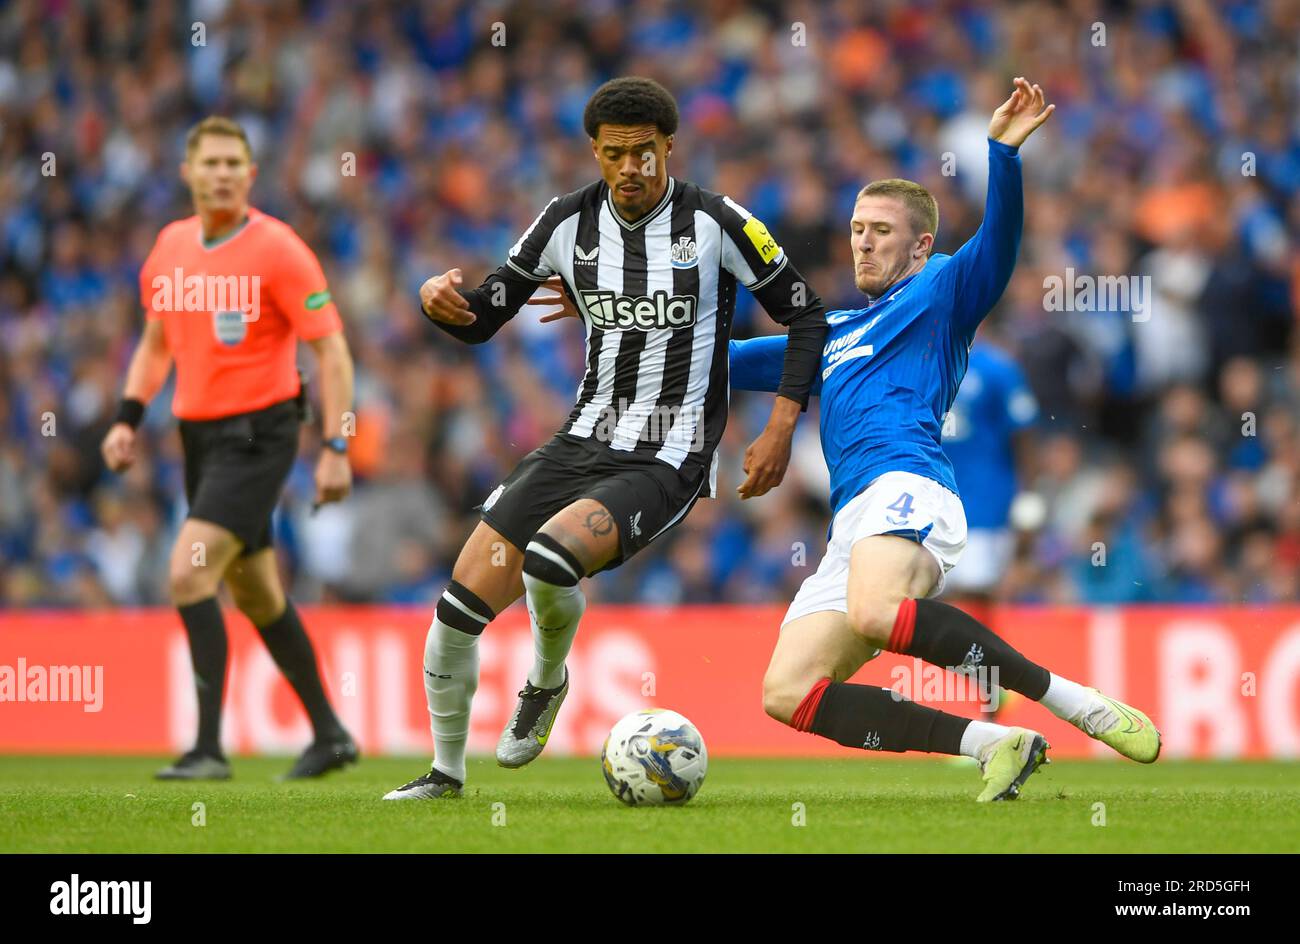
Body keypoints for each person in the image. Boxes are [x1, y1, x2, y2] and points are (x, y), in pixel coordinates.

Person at [385, 77, 827, 800]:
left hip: (668, 453)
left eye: (644, 154)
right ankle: (443, 775)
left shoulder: (717, 222)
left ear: (668, 148)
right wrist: (441, 304)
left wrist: (781, 424)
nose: (630, 168)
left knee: (552, 559)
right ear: (594, 151)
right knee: (456, 609)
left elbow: (807, 315)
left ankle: (545, 678)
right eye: (615, 154)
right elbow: (487, 312)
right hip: (578, 441)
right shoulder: (565, 222)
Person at [727, 79, 1161, 801]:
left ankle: (1071, 701)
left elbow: (998, 245)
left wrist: (1004, 156)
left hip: (911, 484)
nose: (864, 241)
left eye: (882, 231)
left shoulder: (941, 291)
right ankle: (994, 741)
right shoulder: (827, 334)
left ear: (921, 244)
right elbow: (721, 359)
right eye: (858, 229)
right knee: (788, 691)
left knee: (873, 611)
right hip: (853, 523)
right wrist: (617, 320)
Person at [101, 116, 358, 781]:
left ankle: (207, 749)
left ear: (251, 174)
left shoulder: (280, 250)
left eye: (232, 163)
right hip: (198, 437)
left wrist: (335, 443)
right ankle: (330, 735)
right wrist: (128, 416)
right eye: (209, 162)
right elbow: (158, 344)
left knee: (188, 571)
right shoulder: (169, 248)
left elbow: (330, 349)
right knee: (258, 594)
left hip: (260, 433)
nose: (220, 174)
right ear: (187, 172)